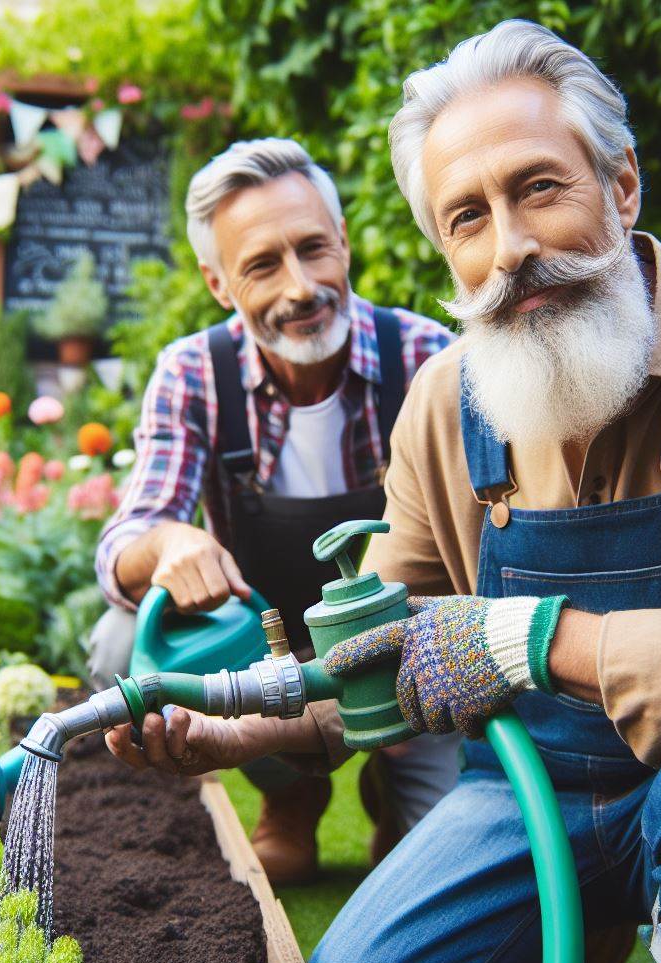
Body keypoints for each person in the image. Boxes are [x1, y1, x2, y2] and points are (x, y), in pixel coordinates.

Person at [106, 20, 661, 963]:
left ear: (619, 185)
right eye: (467, 217)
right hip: (529, 796)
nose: (510, 249)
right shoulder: (449, 401)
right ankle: (589, 942)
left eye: (538, 188)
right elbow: (377, 662)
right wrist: (230, 731)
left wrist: (539, 640)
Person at [92, 137, 461, 885]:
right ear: (220, 283)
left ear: (345, 244)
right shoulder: (195, 373)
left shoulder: (427, 356)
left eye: (313, 250)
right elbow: (123, 542)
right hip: (270, 644)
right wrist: (168, 542)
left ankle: (394, 783)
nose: (300, 287)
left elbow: (472, 560)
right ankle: (291, 795)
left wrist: (403, 672)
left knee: (432, 866)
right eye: (262, 265)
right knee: (116, 642)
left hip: (404, 647)